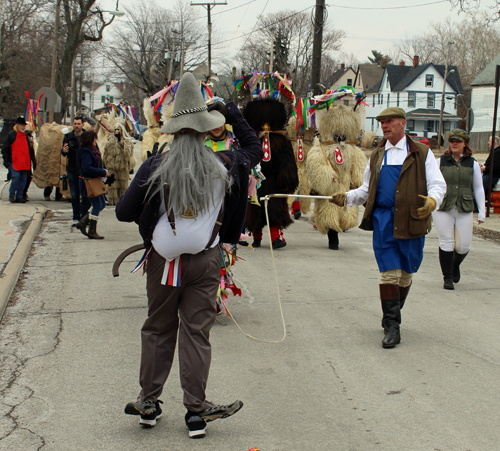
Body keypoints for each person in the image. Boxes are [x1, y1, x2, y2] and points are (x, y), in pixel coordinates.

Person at [115, 73, 263, 437]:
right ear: (204, 129)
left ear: (175, 130)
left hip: (164, 262)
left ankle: (148, 402)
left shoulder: (154, 166)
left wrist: (151, 220)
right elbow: (254, 149)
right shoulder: (227, 164)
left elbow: (122, 211)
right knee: (197, 332)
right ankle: (196, 412)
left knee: (157, 328)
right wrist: (228, 109)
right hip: (206, 260)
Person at [331, 107, 446, 348]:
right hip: (384, 220)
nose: (385, 125)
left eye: (390, 121)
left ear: (402, 124)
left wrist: (433, 201)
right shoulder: (376, 155)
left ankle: (391, 313)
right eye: (382, 122)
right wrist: (346, 197)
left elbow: (437, 184)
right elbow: (366, 190)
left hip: (412, 219)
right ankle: (393, 326)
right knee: (389, 273)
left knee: (406, 273)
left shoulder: (422, 153)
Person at [432, 129, 485, 290]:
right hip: (443, 207)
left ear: (464, 144)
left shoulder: (473, 163)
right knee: (446, 242)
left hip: (464, 207)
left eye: (458, 141)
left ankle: (454, 266)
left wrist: (482, 211)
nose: (455, 144)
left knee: (464, 246)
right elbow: (432, 183)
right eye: (452, 141)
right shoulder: (440, 161)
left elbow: (478, 188)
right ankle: (447, 277)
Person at [76, 131, 109, 239]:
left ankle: (83, 222)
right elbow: (87, 168)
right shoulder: (85, 152)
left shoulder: (93, 150)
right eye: (95, 138)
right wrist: (102, 172)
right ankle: (91, 230)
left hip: (94, 180)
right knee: (97, 204)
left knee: (101, 204)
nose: (96, 140)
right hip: (88, 182)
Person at [1, 117, 36, 203]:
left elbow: (30, 150)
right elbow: (4, 148)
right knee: (16, 177)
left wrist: (34, 161)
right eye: (21, 125)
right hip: (14, 162)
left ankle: (20, 196)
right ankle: (12, 194)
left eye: (24, 125)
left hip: (24, 163)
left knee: (23, 180)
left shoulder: (26, 136)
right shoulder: (11, 135)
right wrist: (6, 161)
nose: (23, 127)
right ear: (17, 125)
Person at [102, 122, 135, 205]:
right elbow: (106, 153)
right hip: (111, 167)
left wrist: (120, 142)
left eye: (119, 129)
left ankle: (122, 202)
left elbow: (128, 154)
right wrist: (105, 163)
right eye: (116, 129)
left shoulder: (127, 141)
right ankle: (113, 201)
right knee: (112, 185)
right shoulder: (110, 140)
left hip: (122, 167)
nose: (117, 131)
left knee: (123, 185)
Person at [61, 115, 86, 221]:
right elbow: (62, 152)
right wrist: (64, 150)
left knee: (85, 196)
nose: (76, 126)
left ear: (82, 125)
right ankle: (76, 216)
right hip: (71, 169)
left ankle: (84, 216)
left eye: (78, 124)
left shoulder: (87, 136)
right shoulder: (68, 136)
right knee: (75, 195)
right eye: (75, 123)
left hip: (84, 170)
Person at [480, 135, 500, 202]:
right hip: (489, 175)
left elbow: (497, 165)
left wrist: (485, 168)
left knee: (480, 188)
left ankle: (475, 204)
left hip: (492, 176)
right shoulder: (494, 151)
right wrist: (484, 165)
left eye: (489, 141)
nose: (488, 143)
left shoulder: (498, 151)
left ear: (494, 142)